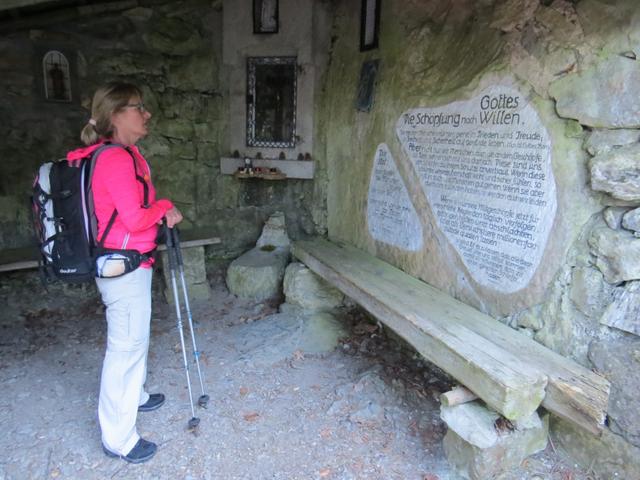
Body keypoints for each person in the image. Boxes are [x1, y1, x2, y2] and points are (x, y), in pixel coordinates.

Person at [66, 82, 182, 463]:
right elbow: (134, 218)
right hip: (123, 265)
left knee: (135, 336)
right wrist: (165, 205)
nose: (146, 114)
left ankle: (138, 395)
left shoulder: (123, 153)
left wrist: (158, 208)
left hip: (129, 262)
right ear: (115, 115)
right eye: (138, 107)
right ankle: (118, 438)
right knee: (125, 347)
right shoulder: (115, 158)